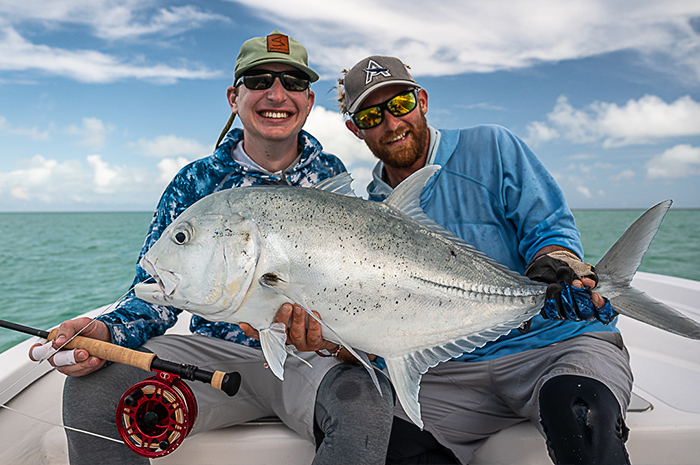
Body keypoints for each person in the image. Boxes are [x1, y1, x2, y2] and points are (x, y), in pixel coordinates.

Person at [30, 33, 394, 465]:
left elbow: (361, 290)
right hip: (215, 365)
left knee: (367, 398)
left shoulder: (332, 178)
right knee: (93, 390)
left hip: (308, 362)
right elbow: (156, 295)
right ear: (233, 97)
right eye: (259, 80)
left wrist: (336, 343)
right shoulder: (196, 183)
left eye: (293, 83)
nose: (276, 94)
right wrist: (105, 331)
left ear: (309, 100)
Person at [337, 56, 632, 464]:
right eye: (371, 115)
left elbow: (548, 230)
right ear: (355, 129)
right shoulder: (368, 215)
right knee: (390, 444)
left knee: (581, 414)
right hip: (450, 373)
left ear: (422, 100)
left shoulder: (492, 146)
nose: (391, 123)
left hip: (554, 344)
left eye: (401, 104)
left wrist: (560, 265)